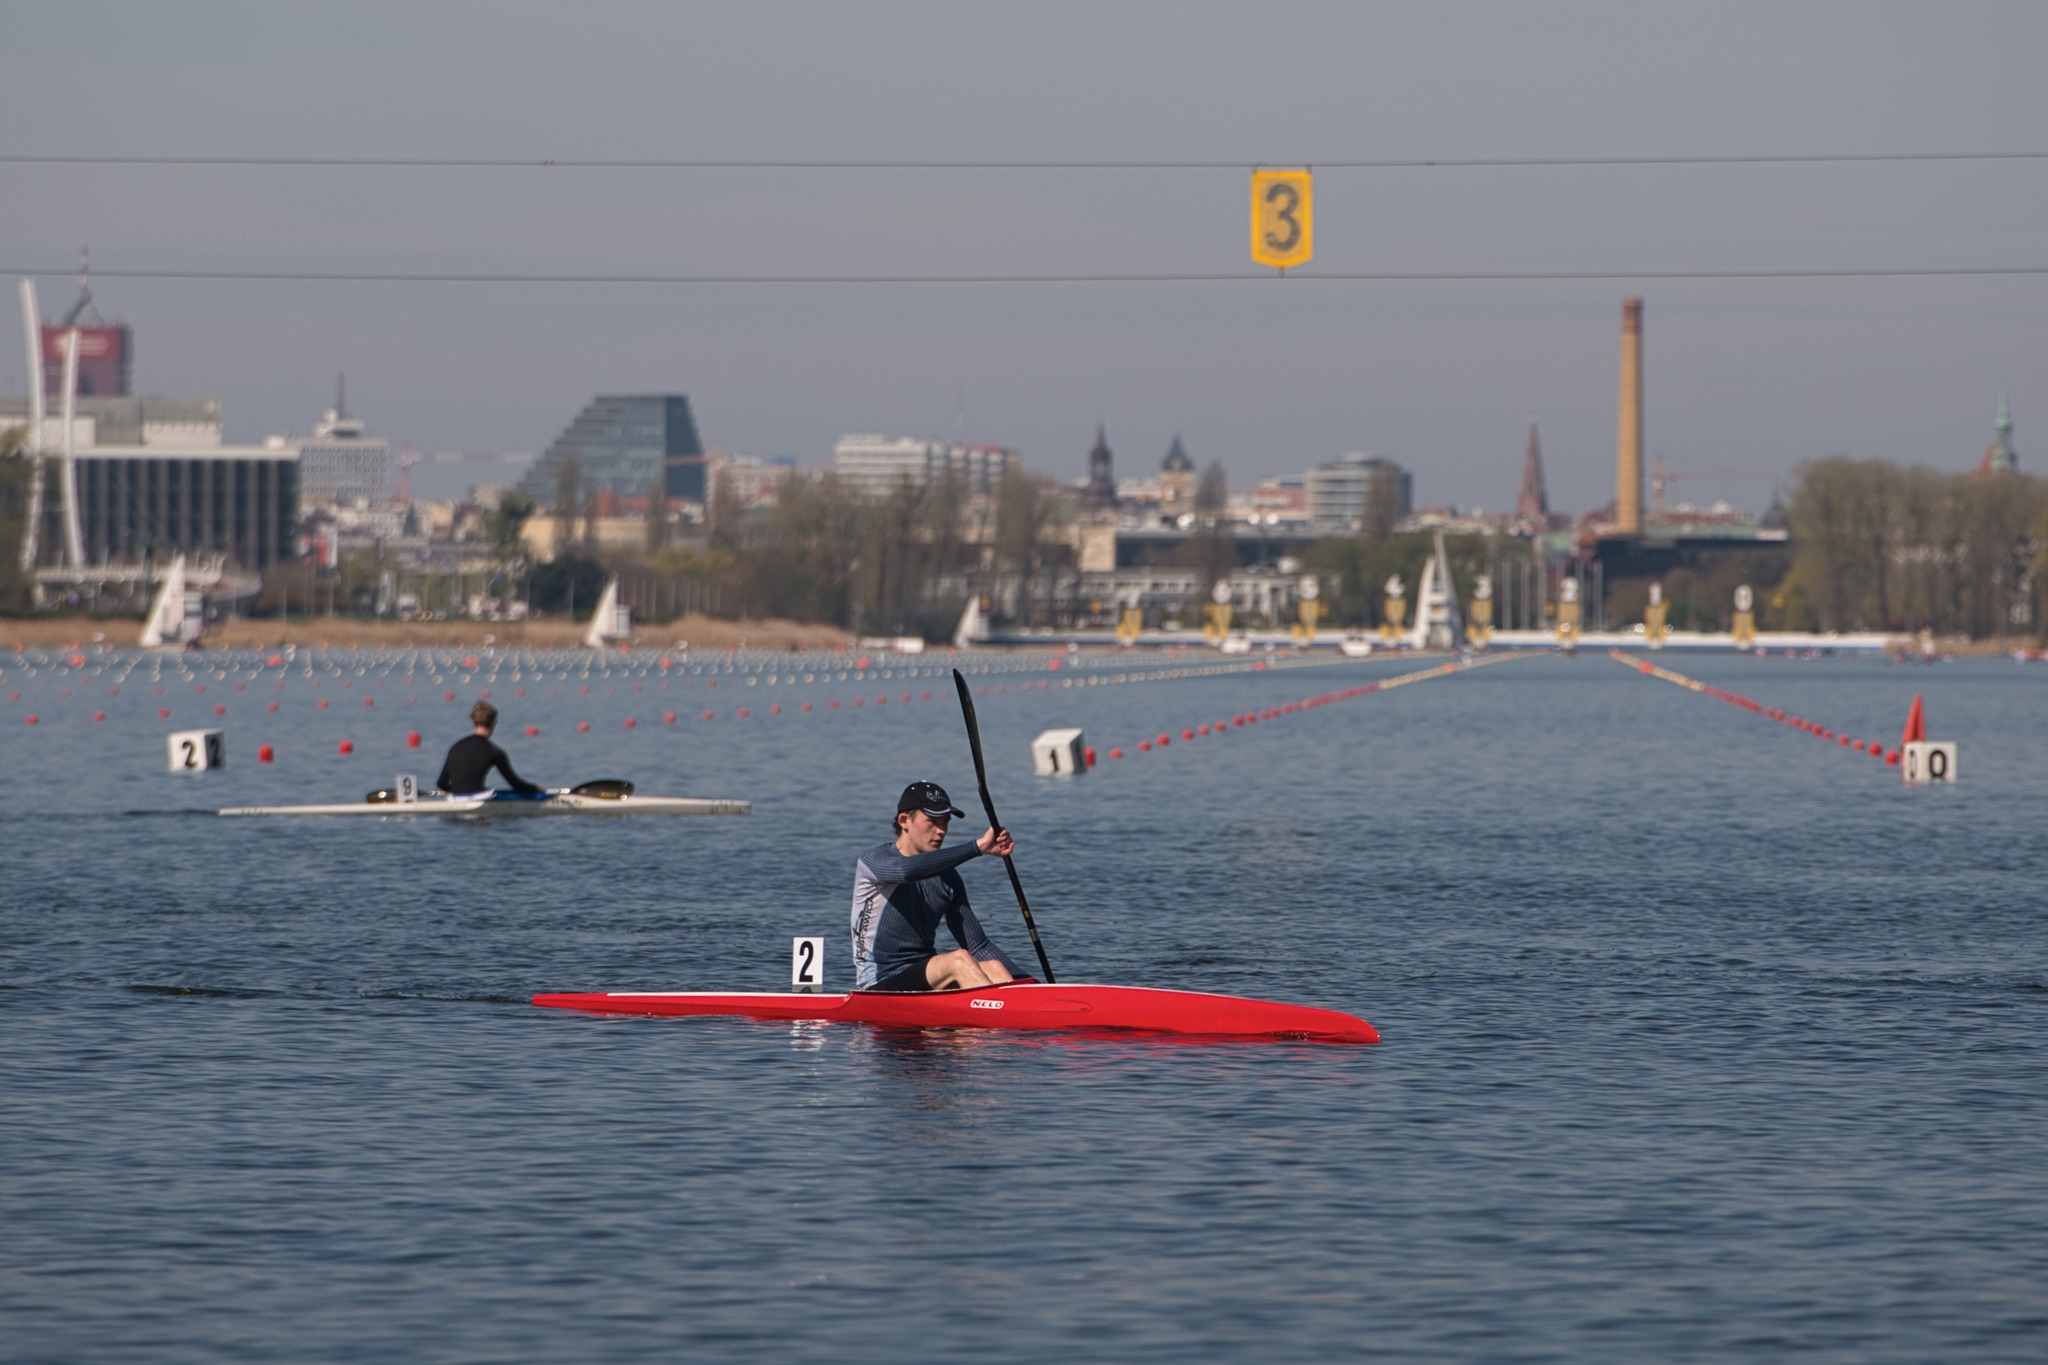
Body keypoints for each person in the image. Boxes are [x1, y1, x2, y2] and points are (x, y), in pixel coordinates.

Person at [851, 781, 1023, 991]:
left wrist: (1033, 986)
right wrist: (977, 848)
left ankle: (1007, 1019)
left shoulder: (948, 878)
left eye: (945, 822)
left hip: (928, 980)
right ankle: (997, 1019)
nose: (941, 831)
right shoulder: (874, 861)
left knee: (995, 968)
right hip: (879, 983)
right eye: (932, 821)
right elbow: (905, 872)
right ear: (904, 821)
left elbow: (978, 945)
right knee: (958, 961)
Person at [437, 700, 546, 796]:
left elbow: (441, 784)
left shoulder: (456, 746)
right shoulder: (494, 751)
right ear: (494, 722)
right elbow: (515, 784)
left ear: (473, 721)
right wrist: (535, 789)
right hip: (479, 802)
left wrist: (458, 792)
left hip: (456, 801)